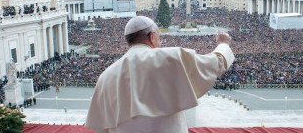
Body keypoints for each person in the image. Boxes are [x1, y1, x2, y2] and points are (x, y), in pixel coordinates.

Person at [85, 16, 235, 133]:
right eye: (159, 37)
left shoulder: (105, 77)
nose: (160, 43)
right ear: (151, 37)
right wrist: (223, 44)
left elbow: (101, 127)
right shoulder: (171, 57)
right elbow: (216, 63)